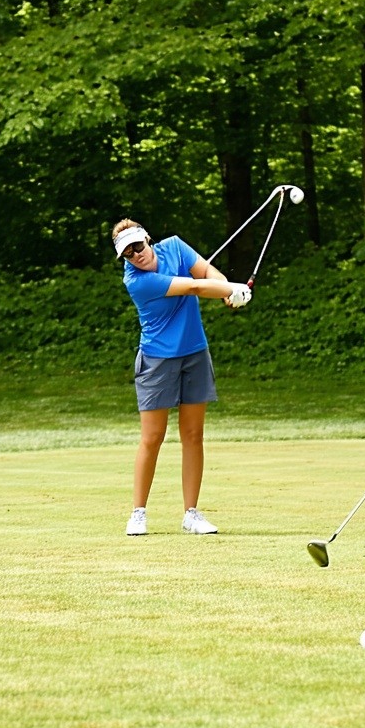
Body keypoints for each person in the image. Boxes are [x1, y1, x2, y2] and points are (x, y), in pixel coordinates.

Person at [113, 220, 252, 536]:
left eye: (138, 246)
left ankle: (191, 514)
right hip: (157, 359)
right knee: (152, 437)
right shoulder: (136, 281)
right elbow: (194, 286)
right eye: (128, 253)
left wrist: (227, 290)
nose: (136, 255)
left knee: (193, 435)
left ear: (148, 239)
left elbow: (206, 273)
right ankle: (138, 513)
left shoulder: (175, 246)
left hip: (194, 352)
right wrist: (232, 289)